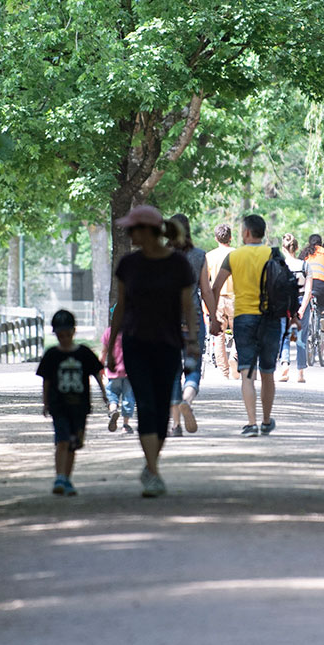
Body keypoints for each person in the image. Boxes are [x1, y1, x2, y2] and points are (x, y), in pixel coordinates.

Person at [107, 206, 200, 497]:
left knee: (161, 408)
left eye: (132, 229)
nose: (128, 234)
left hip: (168, 344)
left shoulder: (178, 264)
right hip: (135, 343)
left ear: (148, 231)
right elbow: (121, 308)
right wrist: (111, 348)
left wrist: (193, 340)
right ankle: (154, 471)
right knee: (146, 404)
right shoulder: (128, 264)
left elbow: (188, 306)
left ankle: (151, 464)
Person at [209, 214, 280, 437]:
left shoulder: (235, 256)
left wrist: (214, 318)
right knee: (267, 372)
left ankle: (251, 423)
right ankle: (266, 421)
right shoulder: (273, 255)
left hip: (244, 317)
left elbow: (215, 287)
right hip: (269, 318)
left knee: (247, 373)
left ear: (246, 232)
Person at [37, 310, 107, 496]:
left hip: (79, 407)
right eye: (60, 335)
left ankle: (66, 478)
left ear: (73, 332)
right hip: (58, 406)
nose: (64, 339)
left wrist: (104, 394)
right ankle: (60, 477)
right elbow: (46, 381)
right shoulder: (52, 355)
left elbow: (97, 373)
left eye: (67, 334)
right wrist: (45, 403)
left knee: (75, 443)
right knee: (62, 440)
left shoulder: (84, 353)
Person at [169, 213, 218, 436]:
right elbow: (206, 291)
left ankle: (175, 425)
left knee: (172, 373)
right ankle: (187, 400)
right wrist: (215, 318)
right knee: (193, 369)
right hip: (194, 321)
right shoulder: (199, 255)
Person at [277, 233, 312, 383]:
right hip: (301, 300)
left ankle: (285, 364)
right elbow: (309, 290)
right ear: (297, 248)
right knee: (301, 337)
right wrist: (302, 308)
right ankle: (300, 372)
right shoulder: (305, 265)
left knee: (284, 335)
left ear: (283, 249)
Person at [205, 224, 237, 379]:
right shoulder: (237, 254)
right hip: (235, 298)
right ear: (230, 237)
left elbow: (206, 280)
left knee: (219, 336)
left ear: (216, 238)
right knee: (240, 333)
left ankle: (224, 372)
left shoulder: (209, 256)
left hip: (217, 299)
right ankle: (234, 357)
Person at [101, 313, 135, 434]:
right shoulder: (133, 331)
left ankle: (113, 409)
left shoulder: (109, 332)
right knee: (128, 398)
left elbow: (104, 351)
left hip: (113, 371)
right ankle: (125, 425)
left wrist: (100, 367)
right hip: (130, 372)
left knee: (112, 394)